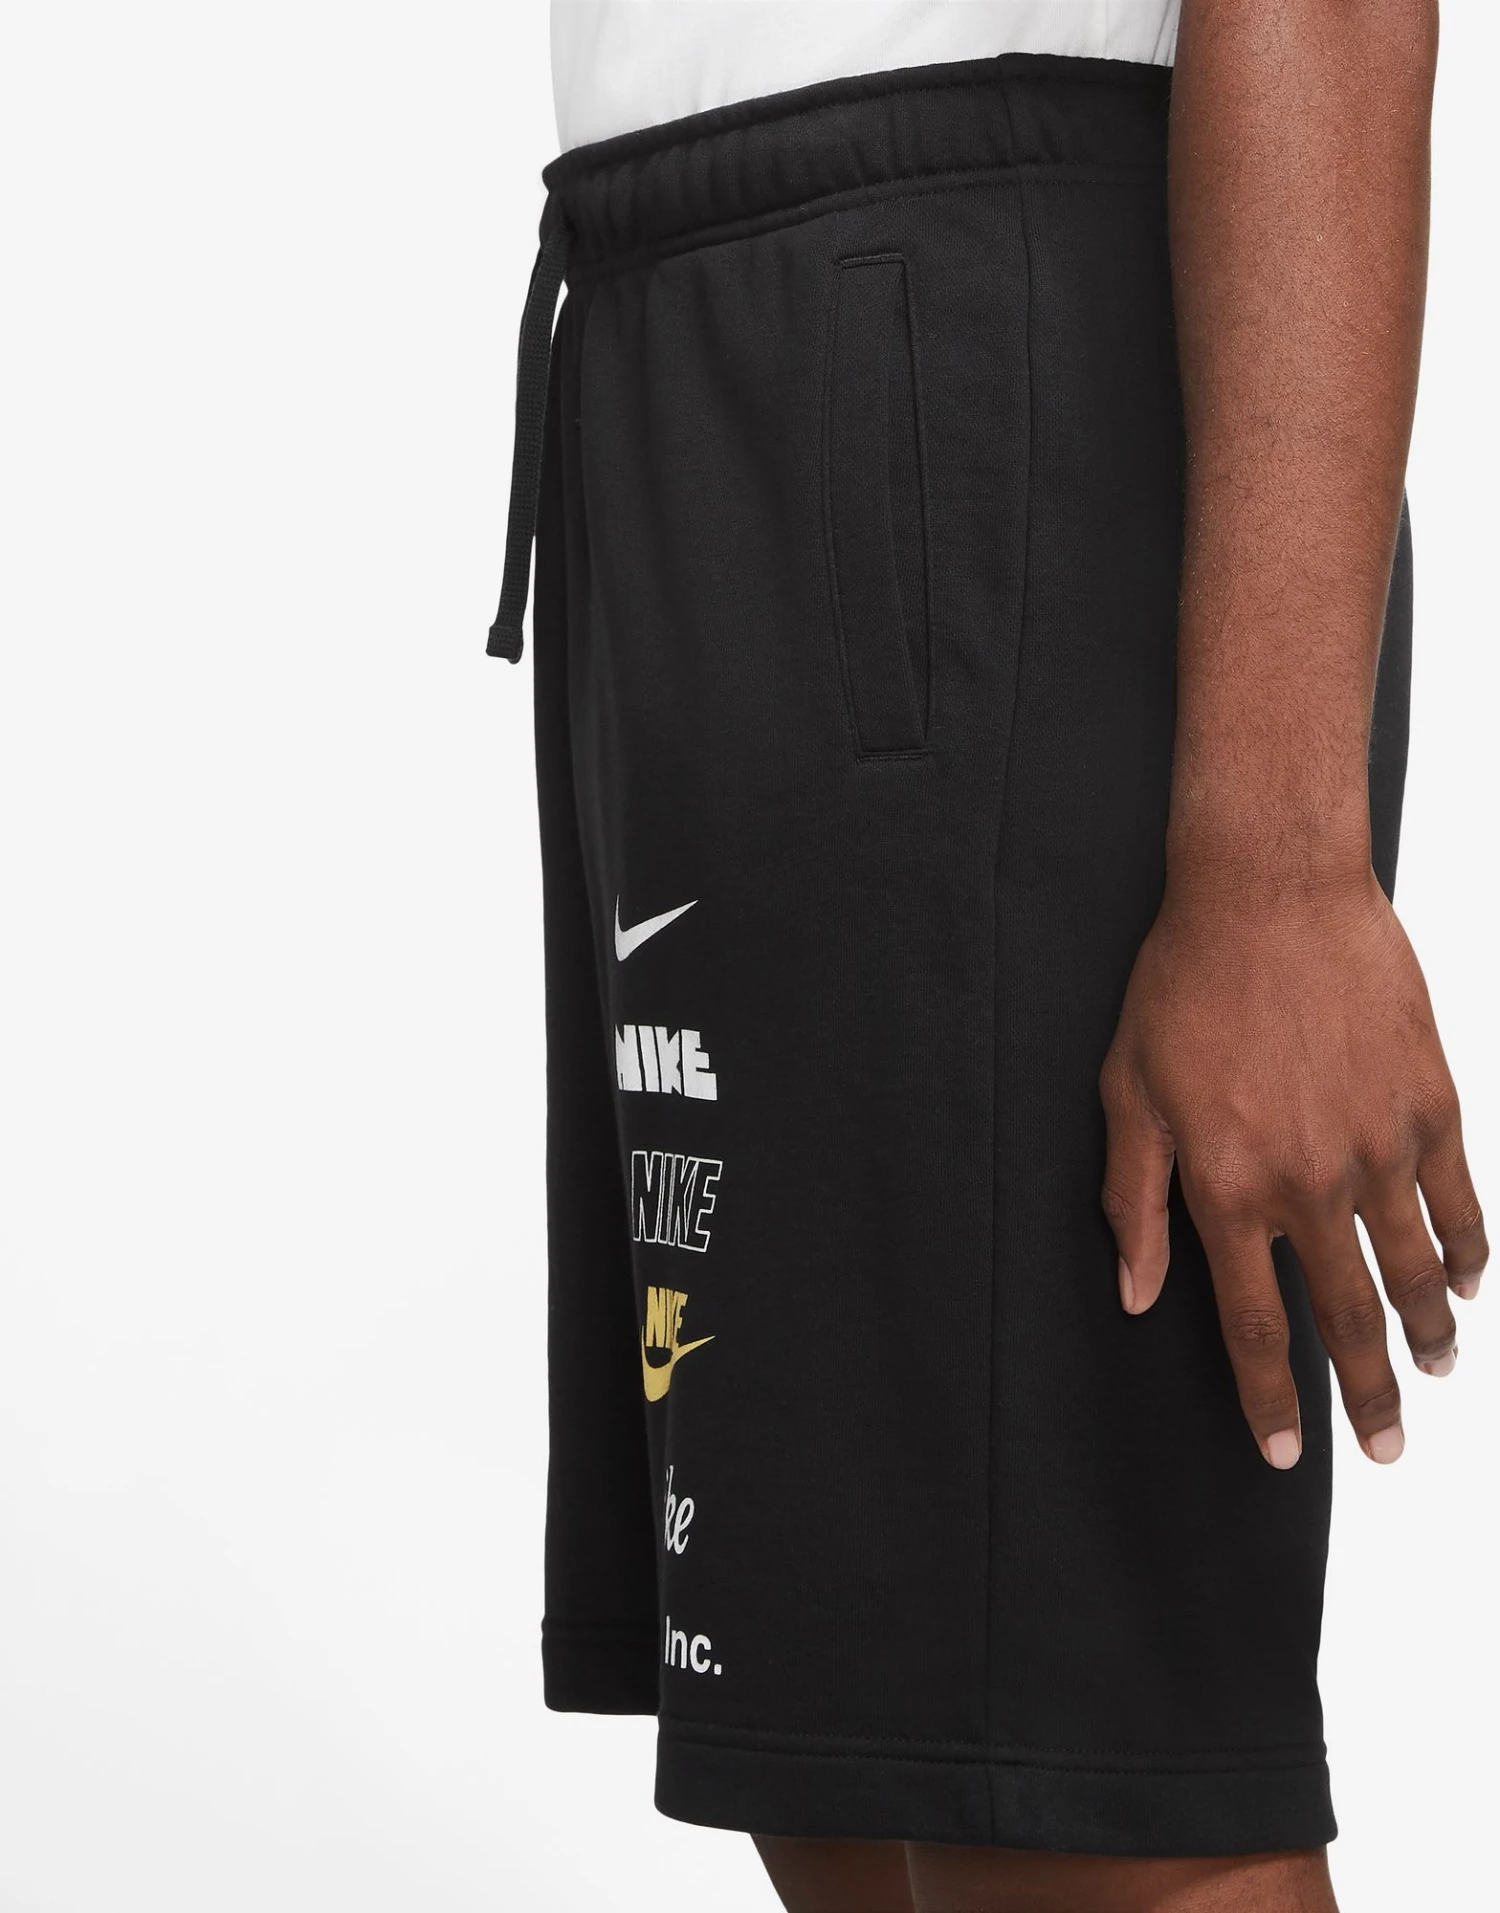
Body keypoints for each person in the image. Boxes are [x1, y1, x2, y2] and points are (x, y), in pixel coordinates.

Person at [490, 2, 1488, 1907]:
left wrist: (1280, 868)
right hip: (695, 332)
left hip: (969, 382)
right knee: (861, 1744)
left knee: (1081, 1786)